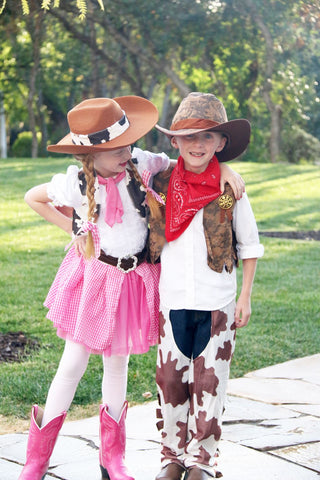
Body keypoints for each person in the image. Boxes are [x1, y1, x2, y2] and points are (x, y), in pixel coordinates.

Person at [19, 95, 243, 480]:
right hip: (96, 278)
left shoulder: (142, 163)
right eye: (115, 148)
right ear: (90, 156)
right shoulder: (75, 183)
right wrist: (77, 230)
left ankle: (112, 459)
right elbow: (33, 197)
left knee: (117, 364)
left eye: (128, 142)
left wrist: (225, 173)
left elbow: (186, 163)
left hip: (132, 281)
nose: (127, 150)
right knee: (73, 362)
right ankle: (36, 460)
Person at [149, 92, 264, 480]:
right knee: (170, 379)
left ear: (221, 143)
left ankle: (202, 458)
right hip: (174, 298)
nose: (198, 145)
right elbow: (121, 167)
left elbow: (249, 243)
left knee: (210, 381)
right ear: (174, 142)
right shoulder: (162, 184)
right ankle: (172, 455)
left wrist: (245, 296)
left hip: (217, 301)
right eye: (189, 137)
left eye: (207, 137)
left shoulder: (229, 192)